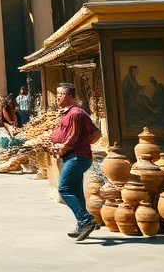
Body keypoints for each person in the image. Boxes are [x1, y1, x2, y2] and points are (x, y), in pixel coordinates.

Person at [50, 82, 100, 241]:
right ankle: (81, 223)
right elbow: (96, 133)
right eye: (57, 94)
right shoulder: (68, 113)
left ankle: (86, 220)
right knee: (77, 191)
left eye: (60, 94)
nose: (57, 97)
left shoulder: (75, 114)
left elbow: (72, 137)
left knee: (64, 188)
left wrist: (64, 147)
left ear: (70, 96)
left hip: (77, 157)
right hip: (73, 156)